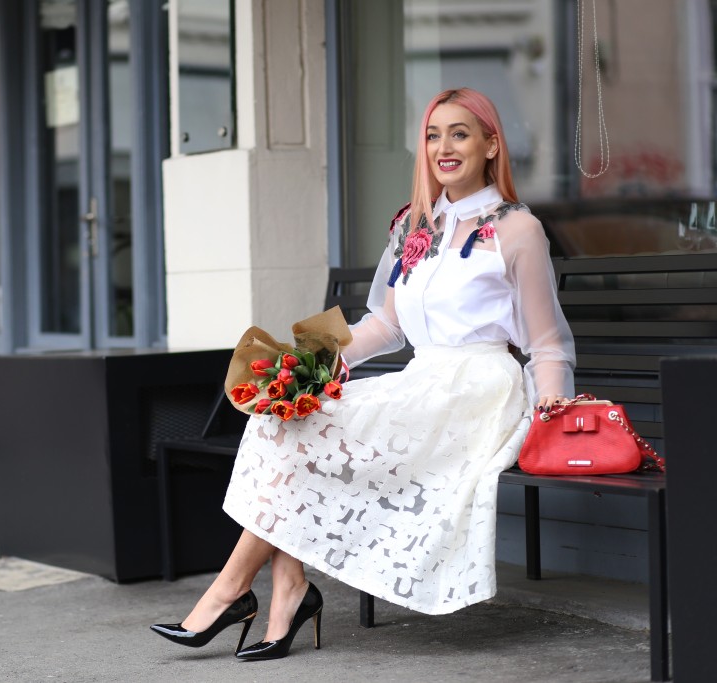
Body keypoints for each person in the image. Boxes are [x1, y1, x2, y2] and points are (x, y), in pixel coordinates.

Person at [150, 87, 575, 661]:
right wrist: (311, 367)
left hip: (476, 391)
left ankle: (233, 591)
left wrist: (554, 412)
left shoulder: (516, 229)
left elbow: (547, 342)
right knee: (285, 418)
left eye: (459, 133)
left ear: (491, 144)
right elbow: (385, 324)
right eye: (432, 134)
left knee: (302, 434)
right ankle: (287, 595)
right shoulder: (414, 225)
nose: (443, 147)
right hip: (422, 380)